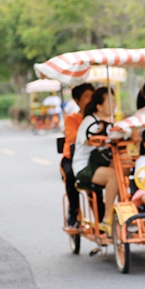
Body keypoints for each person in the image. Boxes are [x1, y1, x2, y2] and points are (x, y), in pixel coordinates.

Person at [72, 87, 119, 234]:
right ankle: (107, 218)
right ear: (99, 106)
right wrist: (98, 134)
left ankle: (126, 208)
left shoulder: (113, 121)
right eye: (110, 101)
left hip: (103, 162)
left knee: (124, 168)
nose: (114, 104)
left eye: (114, 100)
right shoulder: (90, 121)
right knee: (114, 176)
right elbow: (87, 140)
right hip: (85, 165)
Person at [60, 83, 95, 227]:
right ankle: (74, 210)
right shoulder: (71, 119)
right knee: (70, 175)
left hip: (92, 157)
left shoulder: (97, 117)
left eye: (92, 96)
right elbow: (73, 136)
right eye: (86, 96)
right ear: (77, 100)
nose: (90, 99)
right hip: (72, 157)